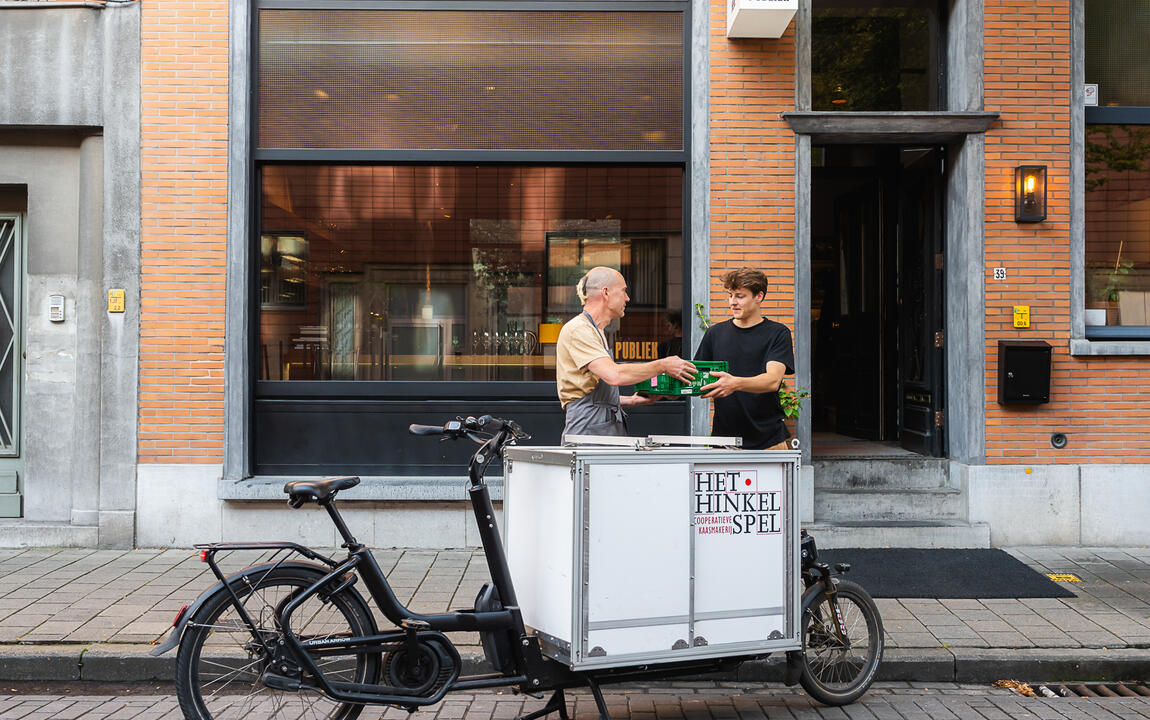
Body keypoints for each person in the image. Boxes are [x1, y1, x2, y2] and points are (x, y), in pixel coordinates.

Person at [556, 266, 696, 440]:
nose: (628, 298)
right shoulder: (579, 330)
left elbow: (589, 392)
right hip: (588, 433)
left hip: (601, 428)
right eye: (623, 291)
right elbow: (614, 375)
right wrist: (663, 365)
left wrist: (631, 400)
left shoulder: (596, 330)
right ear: (606, 293)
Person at [696, 267, 796, 450]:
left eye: (740, 296)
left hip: (769, 442)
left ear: (759, 296)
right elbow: (696, 378)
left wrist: (734, 383)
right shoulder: (715, 333)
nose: (732, 302)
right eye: (730, 295)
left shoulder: (777, 333)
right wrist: (661, 390)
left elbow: (772, 380)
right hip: (724, 442)